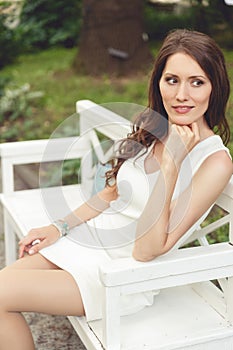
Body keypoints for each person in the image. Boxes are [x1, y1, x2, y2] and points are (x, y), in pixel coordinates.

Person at [0, 28, 232, 350]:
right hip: (89, 243)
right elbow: (110, 194)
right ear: (159, 83)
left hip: (122, 274)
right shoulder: (155, 130)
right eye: (172, 80)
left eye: (197, 82)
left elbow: (146, 250)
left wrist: (172, 163)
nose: (181, 95)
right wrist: (58, 227)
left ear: (214, 87)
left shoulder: (214, 161)